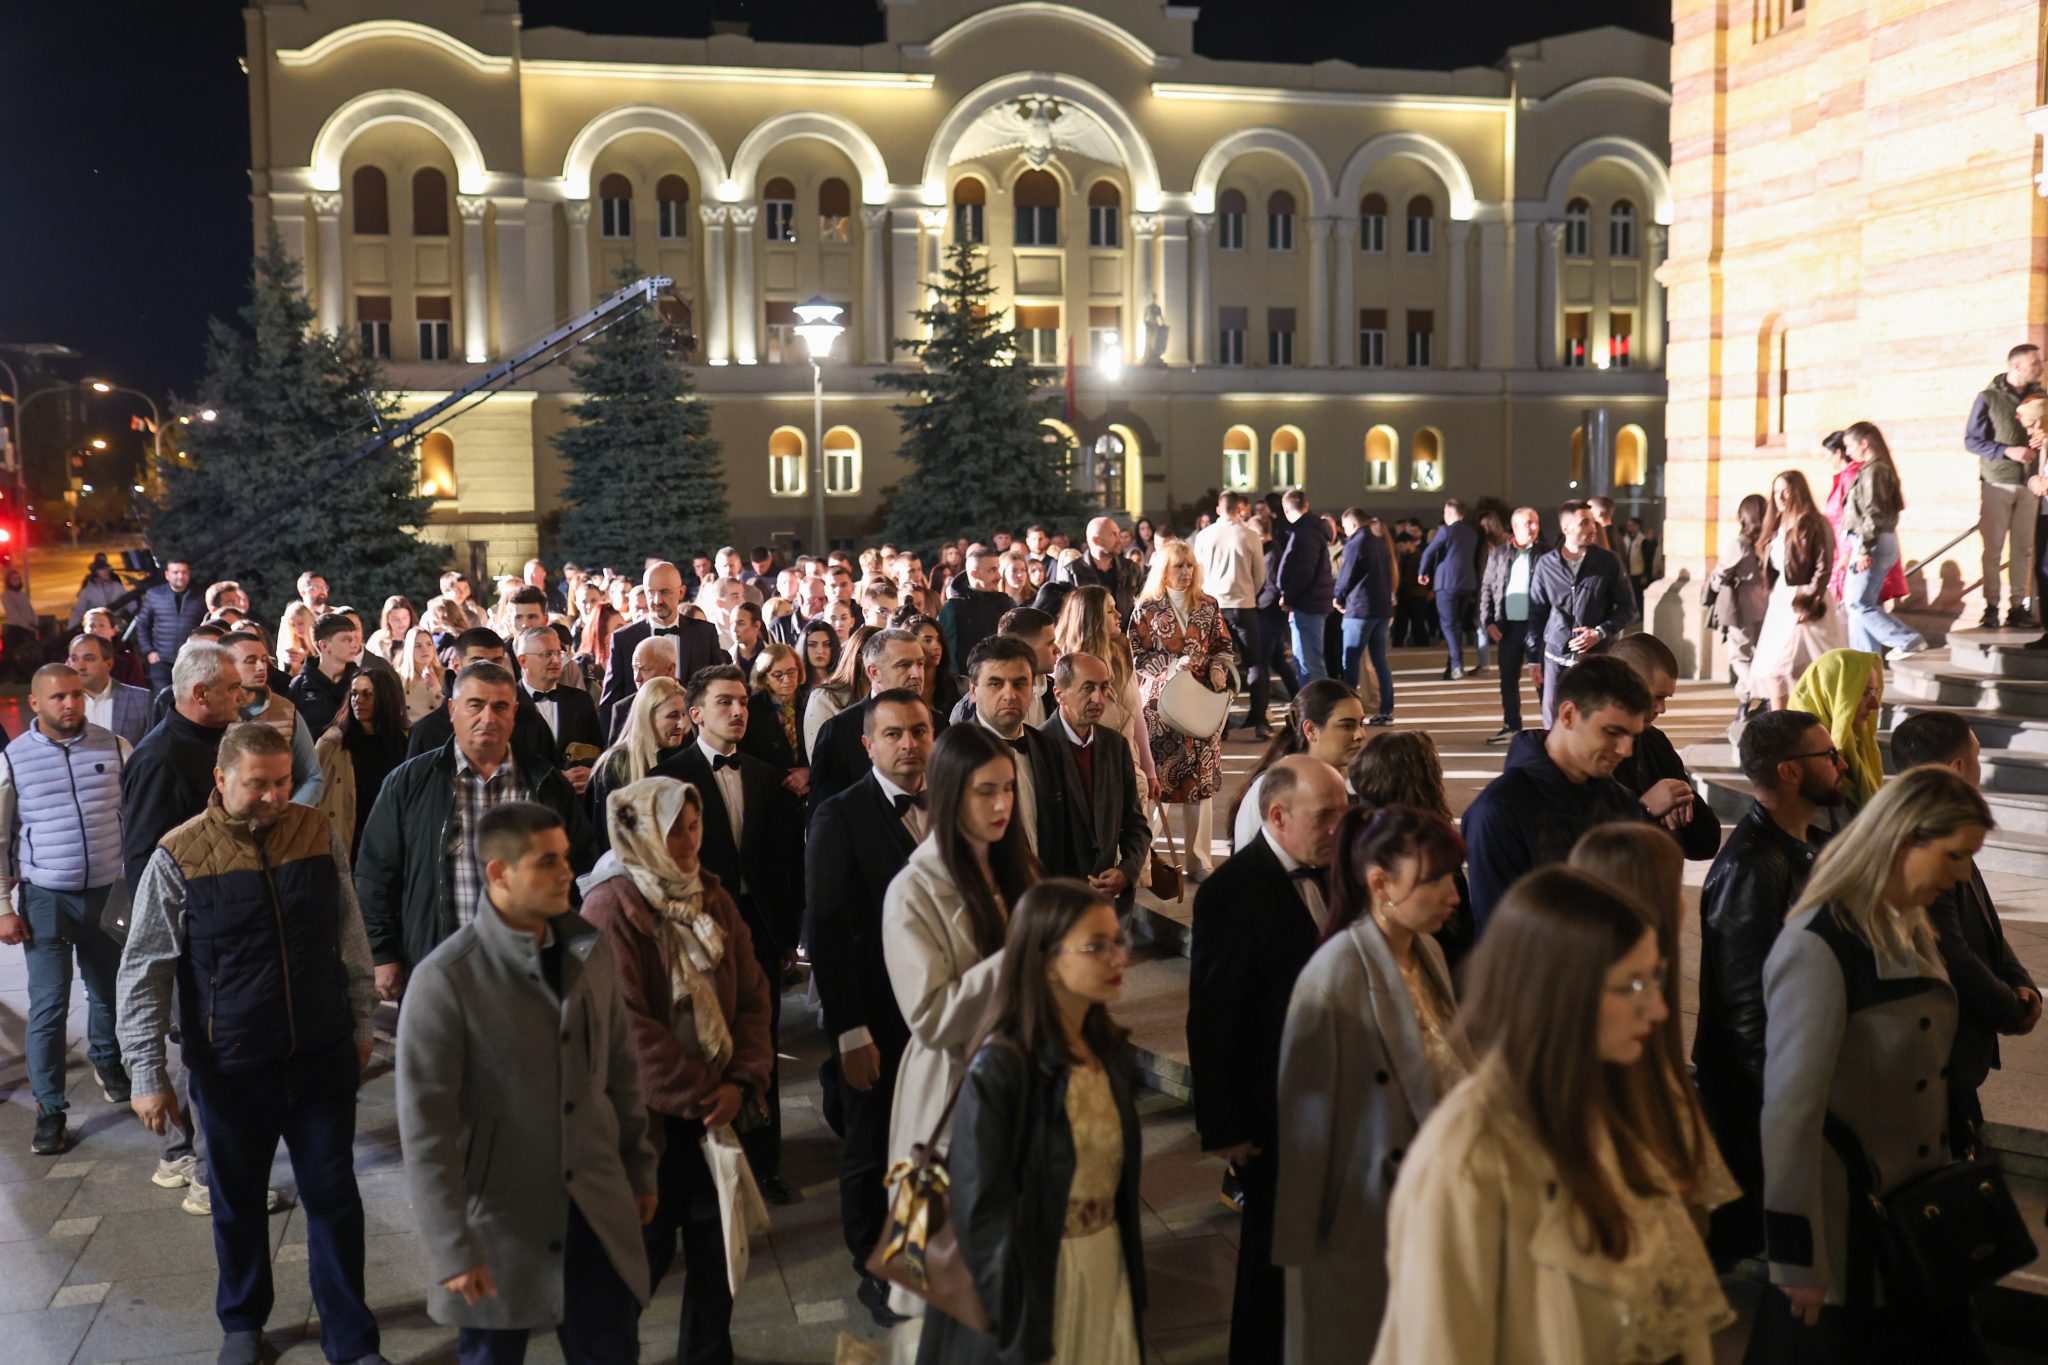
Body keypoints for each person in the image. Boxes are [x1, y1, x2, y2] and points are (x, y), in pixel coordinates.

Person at [1371, 867, 1732, 1364]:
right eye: (1630, 986)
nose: (1658, 1011)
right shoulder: (1467, 1158)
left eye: (1656, 980)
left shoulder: (1609, 1108)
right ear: (1558, 994)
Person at [117, 722, 384, 1365]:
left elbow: (349, 933)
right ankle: (242, 1323)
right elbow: (145, 967)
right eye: (256, 785)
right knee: (236, 1205)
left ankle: (351, 1339)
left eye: (281, 783)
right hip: (231, 1067)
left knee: (334, 1200)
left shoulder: (315, 833)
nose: (272, 797)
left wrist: (361, 1023)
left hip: (319, 1056)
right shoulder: (179, 855)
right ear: (221, 780)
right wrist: (146, 1072)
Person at [396, 801, 658, 1365]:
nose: (567, 872)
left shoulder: (591, 948)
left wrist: (638, 1167)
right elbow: (425, 1131)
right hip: (499, 1223)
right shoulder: (445, 980)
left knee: (611, 1349)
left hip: (594, 1206)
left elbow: (620, 1069)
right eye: (546, 863)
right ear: (498, 873)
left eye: (565, 857)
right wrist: (450, 1247)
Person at [1750, 767, 1995, 1361]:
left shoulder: (1905, 923)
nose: (1963, 874)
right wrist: (1796, 1257)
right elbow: (1789, 1115)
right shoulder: (1819, 943)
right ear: (1903, 838)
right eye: (1955, 856)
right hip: (1850, 1234)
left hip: (1914, 1219)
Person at [914, 879, 1147, 1365]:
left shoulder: (1110, 1053)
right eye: (1095, 947)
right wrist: (1018, 1323)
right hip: (1038, 1279)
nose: (1117, 959)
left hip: (1105, 1263)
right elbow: (981, 1217)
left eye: (1118, 942)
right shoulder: (1002, 1068)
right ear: (1046, 962)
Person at [581, 778, 774, 1365]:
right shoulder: (609, 906)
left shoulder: (710, 897)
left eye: (694, 826)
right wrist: (702, 1090)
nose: (688, 841)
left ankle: (707, 1353)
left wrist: (742, 1079)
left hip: (717, 1112)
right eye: (673, 829)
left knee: (718, 1249)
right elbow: (627, 1027)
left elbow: (754, 995)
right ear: (640, 832)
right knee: (643, 1253)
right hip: (647, 1125)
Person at [1272, 805, 1472, 1362]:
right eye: (1435, 880)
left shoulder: (1426, 950)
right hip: (1361, 1226)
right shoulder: (1334, 973)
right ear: (1380, 883)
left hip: (1431, 1213)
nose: (1454, 895)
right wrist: (1305, 1262)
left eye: (1454, 876)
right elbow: (1306, 1133)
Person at [1188, 755, 1349, 1365]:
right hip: (1270, 1108)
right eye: (1325, 815)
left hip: (1335, 1101)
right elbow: (1213, 1013)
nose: (1340, 826)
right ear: (1276, 816)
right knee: (1271, 1259)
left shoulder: (1339, 871)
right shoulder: (1233, 891)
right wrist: (1223, 1125)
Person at [880, 724, 1041, 1318]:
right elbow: (930, 1016)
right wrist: (1021, 955)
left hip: (1022, 1086)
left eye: (1008, 790)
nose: (1001, 805)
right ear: (950, 794)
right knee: (947, 1293)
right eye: (984, 792)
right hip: (952, 1093)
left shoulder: (1016, 865)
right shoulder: (913, 890)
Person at [1691, 707, 1846, 1267]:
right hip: (1756, 1091)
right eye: (1827, 756)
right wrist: (1785, 1097)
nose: (1841, 763)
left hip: (1788, 1078)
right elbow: (1744, 1005)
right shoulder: (1753, 866)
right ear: (1789, 772)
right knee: (1755, 1244)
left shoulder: (1805, 846)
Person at [355, 661, 601, 1004]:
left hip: (531, 970)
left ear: (514, 714)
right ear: (453, 710)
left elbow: (583, 865)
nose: (488, 718)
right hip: (438, 965)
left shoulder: (544, 783)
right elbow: (375, 873)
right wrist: (383, 954)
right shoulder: (409, 783)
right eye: (475, 705)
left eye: (500, 707)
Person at [649, 663, 804, 1202]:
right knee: (701, 1048)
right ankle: (707, 1166)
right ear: (695, 715)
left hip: (758, 930)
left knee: (761, 1044)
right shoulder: (668, 777)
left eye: (742, 701)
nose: (738, 711)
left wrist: (788, 933)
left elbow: (786, 863)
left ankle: (767, 1164)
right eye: (723, 703)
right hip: (693, 934)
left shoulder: (764, 775)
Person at [804, 689, 935, 1324]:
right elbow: (826, 929)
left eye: (918, 730)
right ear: (868, 745)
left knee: (923, 1143)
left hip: (937, 1014)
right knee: (869, 1143)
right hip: (873, 1014)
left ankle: (916, 1255)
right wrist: (850, 1028)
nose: (909, 743)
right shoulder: (840, 815)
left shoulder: (954, 803)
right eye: (894, 734)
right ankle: (871, 1265)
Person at [1890, 711, 2041, 1159]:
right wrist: (2008, 1008)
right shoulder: (1924, 839)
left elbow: (1983, 919)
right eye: (1976, 756)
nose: (1980, 766)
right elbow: (1948, 948)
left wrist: (2021, 981)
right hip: (1935, 1054)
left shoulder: (1944, 827)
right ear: (1957, 768)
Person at [0, 664, 134, 1154]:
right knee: (50, 1007)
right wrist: (3, 906)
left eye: (76, 695)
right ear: (35, 704)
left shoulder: (114, 745)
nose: (70, 705)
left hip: (106, 891)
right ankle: (50, 1108)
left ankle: (107, 1059)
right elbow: (0, 836)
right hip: (45, 898)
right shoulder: (13, 759)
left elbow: (136, 815)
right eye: (58, 697)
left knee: (109, 991)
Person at [1461, 655, 1683, 933]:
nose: (1626, 750)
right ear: (1568, 715)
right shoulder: (1498, 812)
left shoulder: (1621, 802)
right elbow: (1500, 943)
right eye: (1613, 732)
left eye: (1633, 736)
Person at [1131, 537, 1237, 880]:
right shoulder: (1145, 609)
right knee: (1155, 787)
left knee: (1200, 788)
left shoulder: (1208, 606)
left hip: (1201, 707)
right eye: (1179, 565)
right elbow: (1134, 656)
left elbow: (1224, 647)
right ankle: (1144, 860)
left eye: (1190, 565)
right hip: (1159, 712)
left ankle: (1199, 861)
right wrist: (1171, 665)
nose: (1187, 572)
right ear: (1164, 570)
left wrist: (1218, 668)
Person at [1042, 651, 1151, 916]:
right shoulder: (1040, 748)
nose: (1098, 698)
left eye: (1104, 687)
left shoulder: (1116, 746)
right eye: (1088, 688)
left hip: (1107, 902)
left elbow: (1135, 824)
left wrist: (1127, 871)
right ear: (1060, 694)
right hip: (1057, 904)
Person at [1607, 633, 1722, 860]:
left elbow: (1705, 844)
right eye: (1656, 697)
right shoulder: (1589, 754)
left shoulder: (1655, 742)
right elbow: (1588, 848)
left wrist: (1682, 799)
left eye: (1666, 698)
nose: (1662, 709)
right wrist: (1647, 809)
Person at [1526, 499, 1632, 728]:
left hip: (1595, 659)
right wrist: (1533, 658)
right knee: (1553, 725)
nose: (1592, 528)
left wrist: (1600, 632)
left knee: (1595, 723)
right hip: (1556, 659)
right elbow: (1536, 613)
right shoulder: (1546, 565)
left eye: (1592, 522)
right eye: (1585, 523)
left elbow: (1627, 608)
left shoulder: (1608, 562)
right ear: (1566, 529)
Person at [1230, 678, 1365, 852]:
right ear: (1310, 730)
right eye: (1347, 726)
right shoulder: (1270, 789)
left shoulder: (1357, 783)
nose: (1360, 734)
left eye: (1361, 724)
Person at [1962, 341, 2043, 628]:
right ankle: (1991, 606)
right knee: (1993, 548)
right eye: (2036, 363)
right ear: (2017, 366)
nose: (2042, 368)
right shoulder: (1988, 397)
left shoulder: (2042, 396)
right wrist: (2007, 451)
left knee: (2024, 548)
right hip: (1998, 481)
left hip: (2033, 483)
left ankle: (2019, 606)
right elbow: (1972, 440)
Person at [1750, 469, 1846, 711]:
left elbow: (1824, 567)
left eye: (1786, 491)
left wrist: (1810, 600)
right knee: (1773, 668)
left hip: (1804, 598)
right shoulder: (1777, 526)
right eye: (1776, 492)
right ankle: (1778, 718)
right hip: (1782, 599)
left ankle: (1796, 719)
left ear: (1798, 492)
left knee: (1796, 667)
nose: (1780, 498)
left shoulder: (1814, 522)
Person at [806, 626, 931, 811]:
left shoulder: (939, 723)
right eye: (904, 665)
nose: (916, 674)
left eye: (920, 664)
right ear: (873, 672)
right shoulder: (839, 731)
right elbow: (824, 813)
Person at [1051, 585, 1158, 796]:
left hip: (1129, 770)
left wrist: (1149, 769)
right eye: (1110, 610)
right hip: (1087, 776)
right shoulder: (1064, 663)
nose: (1119, 615)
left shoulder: (1123, 654)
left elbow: (1136, 714)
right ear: (1092, 618)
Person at [1836, 422, 1929, 659]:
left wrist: (1864, 549)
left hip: (1872, 541)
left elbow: (1873, 512)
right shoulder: (1878, 469)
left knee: (1858, 603)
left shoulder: (1874, 471)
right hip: (1875, 540)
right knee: (1859, 604)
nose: (1847, 452)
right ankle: (1865, 662)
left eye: (1849, 445)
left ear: (1864, 443)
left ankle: (1907, 639)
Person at [598, 560, 727, 725]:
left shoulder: (704, 633)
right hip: (641, 738)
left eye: (665, 592)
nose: (657, 600)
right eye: (650, 592)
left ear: (681, 592)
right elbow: (610, 703)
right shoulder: (624, 639)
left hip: (692, 737)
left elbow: (719, 688)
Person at [1192, 492, 1271, 737]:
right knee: (1255, 663)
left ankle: (1220, 724)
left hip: (1214, 604)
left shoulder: (1204, 536)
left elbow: (1198, 572)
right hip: (1243, 603)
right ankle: (1260, 721)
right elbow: (1260, 574)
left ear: (1218, 509)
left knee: (1218, 662)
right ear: (1239, 508)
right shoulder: (1249, 535)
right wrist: (1250, 591)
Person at [313, 668, 409, 863]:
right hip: (349, 843)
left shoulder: (406, 742)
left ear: (385, 698)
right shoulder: (333, 744)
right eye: (354, 694)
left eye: (368, 694)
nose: (358, 701)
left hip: (392, 843)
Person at [1478, 506, 1547, 743]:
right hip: (1507, 627)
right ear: (1515, 526)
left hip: (1538, 627)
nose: (1532, 527)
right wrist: (1487, 621)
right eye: (1527, 523)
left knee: (1543, 678)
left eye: (1535, 522)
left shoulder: (1546, 553)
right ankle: (1512, 724)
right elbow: (1487, 587)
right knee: (1508, 678)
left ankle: (1551, 726)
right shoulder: (1498, 554)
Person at [1787, 646, 1885, 812]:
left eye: (1876, 692)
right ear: (1830, 693)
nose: (1875, 705)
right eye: (1864, 693)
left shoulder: (1859, 746)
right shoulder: (1803, 755)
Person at [1707, 493, 1772, 721]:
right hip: (1766, 602)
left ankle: (1760, 695)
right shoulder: (1768, 541)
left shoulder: (1740, 543)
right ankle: (1749, 702)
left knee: (1739, 656)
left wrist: (1714, 584)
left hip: (1742, 604)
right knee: (1759, 655)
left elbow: (1722, 572)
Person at [516, 624, 603, 795]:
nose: (556, 660)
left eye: (558, 653)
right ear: (523, 661)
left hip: (577, 805)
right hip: (530, 807)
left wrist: (592, 772)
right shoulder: (509, 704)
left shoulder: (581, 701)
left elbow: (599, 750)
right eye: (547, 654)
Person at [589, 675, 690, 816]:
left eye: (684, 714)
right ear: (647, 716)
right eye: (673, 715)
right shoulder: (615, 765)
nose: (682, 724)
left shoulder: (685, 757)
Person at [1332, 506, 1395, 723]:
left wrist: (1338, 598)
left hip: (1359, 610)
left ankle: (1350, 713)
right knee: (1380, 661)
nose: (1345, 530)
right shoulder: (1381, 544)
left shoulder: (1355, 545)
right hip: (1382, 610)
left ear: (1353, 524)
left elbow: (1346, 576)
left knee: (1350, 661)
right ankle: (1386, 711)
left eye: (1345, 526)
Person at [1416, 499, 1482, 680]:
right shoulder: (1472, 533)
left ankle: (1456, 666)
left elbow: (1429, 551)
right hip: (1467, 583)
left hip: (1447, 583)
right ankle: (1451, 667)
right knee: (1457, 625)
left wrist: (1422, 572)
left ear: (1449, 513)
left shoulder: (1446, 531)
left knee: (1448, 624)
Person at [1276, 489, 1337, 681]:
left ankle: (1318, 707)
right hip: (1311, 602)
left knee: (1308, 662)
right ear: (1306, 506)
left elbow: (1304, 571)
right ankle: (1313, 706)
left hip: (1307, 604)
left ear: (1286, 510)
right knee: (1308, 660)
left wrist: (1289, 597)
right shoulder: (1310, 530)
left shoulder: (1305, 532)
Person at [803, 622, 880, 767]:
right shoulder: (824, 699)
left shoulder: (892, 697)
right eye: (883, 656)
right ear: (860, 659)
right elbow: (821, 762)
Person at [739, 643, 808, 790]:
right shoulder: (752, 709)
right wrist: (787, 779)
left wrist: (809, 773)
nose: (787, 680)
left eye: (791, 672)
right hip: (770, 791)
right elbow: (747, 759)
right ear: (764, 678)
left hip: (810, 790)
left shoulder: (810, 701)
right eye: (778, 675)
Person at [67, 629, 152, 746]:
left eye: (88, 659)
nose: (80, 667)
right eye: (74, 659)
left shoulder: (142, 699)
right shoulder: (62, 704)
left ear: (109, 663)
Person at [1055, 515, 1145, 624]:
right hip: (1089, 638)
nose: (1119, 539)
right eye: (1114, 534)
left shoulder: (1131, 569)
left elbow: (1143, 606)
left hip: (1126, 638)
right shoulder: (1071, 572)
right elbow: (1066, 616)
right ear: (1096, 540)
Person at [135, 559, 205, 691]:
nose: (180, 576)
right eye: (176, 572)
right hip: (161, 660)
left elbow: (207, 626)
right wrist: (149, 651)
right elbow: (142, 624)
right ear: (167, 575)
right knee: (164, 701)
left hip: (190, 660)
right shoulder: (154, 595)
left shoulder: (200, 596)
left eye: (184, 572)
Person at [290, 611, 361, 738]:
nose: (354, 645)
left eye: (354, 639)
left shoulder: (361, 681)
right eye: (346, 639)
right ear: (324, 645)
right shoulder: (299, 687)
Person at [939, 548, 1013, 665]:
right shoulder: (953, 608)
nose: (999, 576)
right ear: (975, 574)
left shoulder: (1006, 602)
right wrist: (956, 681)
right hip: (968, 679)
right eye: (992, 570)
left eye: (998, 569)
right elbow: (948, 654)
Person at [67, 552, 129, 628]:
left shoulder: (117, 586)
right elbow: (78, 612)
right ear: (95, 573)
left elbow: (131, 604)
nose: (106, 571)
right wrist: (71, 630)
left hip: (116, 625)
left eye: (107, 568)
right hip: (97, 627)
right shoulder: (88, 591)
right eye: (102, 569)